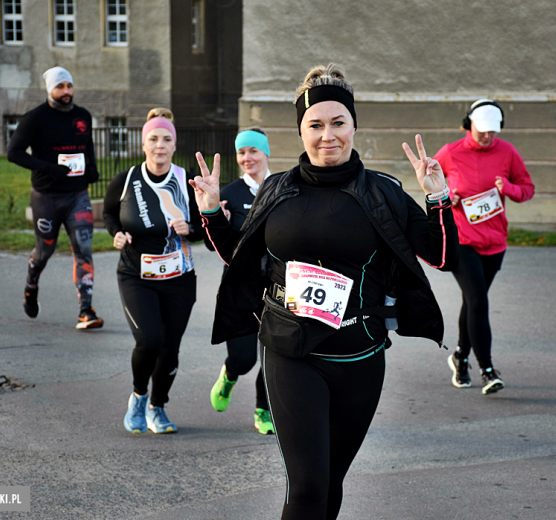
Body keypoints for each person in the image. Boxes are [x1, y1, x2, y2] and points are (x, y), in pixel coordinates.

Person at [192, 64, 459, 520]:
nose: (327, 135)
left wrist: (438, 197)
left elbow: (442, 254)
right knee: (309, 486)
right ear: (301, 130)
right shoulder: (278, 189)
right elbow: (239, 253)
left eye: (338, 123)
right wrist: (212, 212)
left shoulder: (383, 191)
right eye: (315, 125)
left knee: (331, 482)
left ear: (354, 126)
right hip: (290, 353)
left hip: (359, 355)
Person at [102, 109, 203, 434]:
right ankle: (139, 396)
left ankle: (158, 407)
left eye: (167, 139)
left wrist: (190, 228)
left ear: (174, 145)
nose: (160, 145)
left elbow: (206, 227)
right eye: (153, 139)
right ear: (144, 144)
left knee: (169, 349)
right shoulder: (126, 178)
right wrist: (116, 233)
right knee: (149, 340)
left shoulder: (185, 181)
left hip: (179, 278)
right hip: (136, 275)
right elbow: (108, 214)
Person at [434, 99, 535, 395]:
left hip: (495, 242)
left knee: (472, 301)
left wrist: (509, 189)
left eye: (493, 132)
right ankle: (487, 370)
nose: (488, 137)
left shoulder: (508, 152)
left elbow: (527, 189)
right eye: (482, 132)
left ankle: (460, 356)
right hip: (462, 241)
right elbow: (432, 183)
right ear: (469, 125)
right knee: (478, 301)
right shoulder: (450, 153)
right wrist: (446, 197)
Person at [7, 66, 103, 330]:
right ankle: (31, 285)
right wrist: (47, 167)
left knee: (83, 250)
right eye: (60, 87)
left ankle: (86, 310)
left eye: (69, 86)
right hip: (46, 197)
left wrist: (92, 169)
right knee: (44, 252)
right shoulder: (35, 118)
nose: (66, 92)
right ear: (50, 89)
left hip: (77, 197)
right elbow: (13, 152)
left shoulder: (83, 116)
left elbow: (87, 146)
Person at [207, 128, 274, 435]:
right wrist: (213, 217)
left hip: (278, 286)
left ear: (265, 153)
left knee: (274, 356)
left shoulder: (282, 186)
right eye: (241, 153)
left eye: (253, 151)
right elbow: (213, 244)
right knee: (245, 358)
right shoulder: (229, 193)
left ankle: (264, 410)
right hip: (240, 289)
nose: (247, 158)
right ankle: (231, 373)